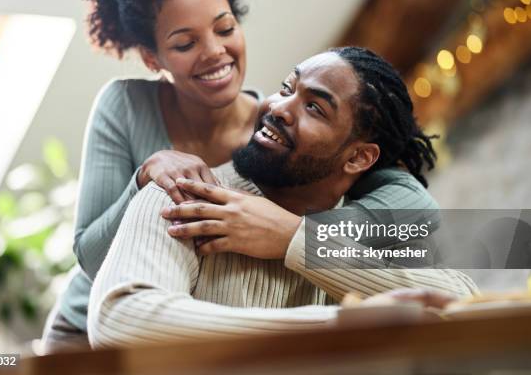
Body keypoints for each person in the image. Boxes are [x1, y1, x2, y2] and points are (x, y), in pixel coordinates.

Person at [41, 0, 455, 352]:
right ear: (153, 60)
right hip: (86, 322)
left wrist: (289, 234)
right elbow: (104, 279)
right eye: (185, 43)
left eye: (225, 28)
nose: (214, 52)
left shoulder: (286, 139)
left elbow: (424, 219)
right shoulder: (148, 153)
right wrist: (143, 179)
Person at [87, 47, 478, 348]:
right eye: (287, 89)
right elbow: (119, 320)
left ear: (359, 157)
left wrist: (296, 239)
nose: (277, 108)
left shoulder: (371, 226)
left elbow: (463, 304)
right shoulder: (183, 194)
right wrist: (338, 327)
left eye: (313, 107)